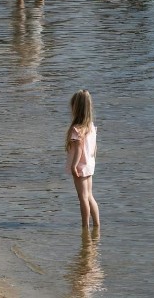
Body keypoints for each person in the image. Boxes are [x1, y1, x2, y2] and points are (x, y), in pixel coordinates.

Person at [65, 90, 100, 229]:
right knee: (90, 196)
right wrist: (92, 159)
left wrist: (74, 166)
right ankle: (97, 224)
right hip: (89, 164)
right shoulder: (90, 126)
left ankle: (85, 226)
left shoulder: (77, 129)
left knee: (83, 197)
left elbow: (78, 149)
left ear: (76, 108)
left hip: (80, 166)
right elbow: (94, 147)